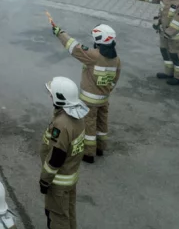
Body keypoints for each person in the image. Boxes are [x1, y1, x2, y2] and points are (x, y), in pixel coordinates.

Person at [48, 19, 121, 161]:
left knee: (89, 125)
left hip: (89, 101)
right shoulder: (116, 59)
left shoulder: (94, 56)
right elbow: (115, 79)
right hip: (104, 99)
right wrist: (105, 91)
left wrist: (59, 33)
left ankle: (88, 153)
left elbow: (74, 47)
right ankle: (100, 147)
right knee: (102, 123)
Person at [40, 76, 88, 229]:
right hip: (70, 176)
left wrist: (45, 180)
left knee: (58, 217)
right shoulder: (77, 117)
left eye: (52, 94)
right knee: (68, 213)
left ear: (60, 98)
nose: (50, 96)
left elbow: (56, 156)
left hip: (58, 181)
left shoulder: (62, 124)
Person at [125, 0, 179, 85]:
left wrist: (168, 33)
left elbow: (177, 23)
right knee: (165, 52)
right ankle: (169, 73)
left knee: (176, 56)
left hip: (176, 37)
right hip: (164, 33)